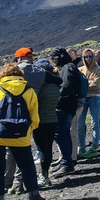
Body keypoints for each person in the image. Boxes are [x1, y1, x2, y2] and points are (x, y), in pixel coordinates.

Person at [0, 63, 46, 200]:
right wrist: (25, 131)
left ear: (2, 75)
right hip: (20, 136)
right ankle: (34, 197)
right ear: (20, 75)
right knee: (27, 165)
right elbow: (35, 118)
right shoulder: (29, 91)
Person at [6, 47, 62, 194]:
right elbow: (58, 80)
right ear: (30, 57)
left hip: (11, 114)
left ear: (18, 58)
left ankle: (8, 183)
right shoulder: (39, 72)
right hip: (32, 114)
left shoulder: (12, 71)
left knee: (12, 148)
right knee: (30, 148)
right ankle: (25, 180)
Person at [49, 47, 80, 179]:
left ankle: (67, 163)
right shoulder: (69, 66)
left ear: (61, 56)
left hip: (65, 107)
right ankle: (66, 162)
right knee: (64, 133)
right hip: (69, 106)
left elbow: (65, 86)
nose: (53, 61)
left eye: (54, 58)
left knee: (59, 134)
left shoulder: (67, 68)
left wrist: (57, 102)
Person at [33, 59, 61, 187]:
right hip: (52, 120)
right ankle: (45, 174)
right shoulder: (55, 86)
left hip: (41, 121)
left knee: (42, 149)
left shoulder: (41, 88)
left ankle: (44, 176)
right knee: (48, 148)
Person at [77, 48, 100, 159]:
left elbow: (96, 85)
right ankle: (81, 146)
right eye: (86, 56)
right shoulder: (80, 69)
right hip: (83, 99)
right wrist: (89, 83)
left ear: (93, 57)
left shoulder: (98, 69)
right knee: (80, 124)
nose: (88, 59)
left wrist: (84, 85)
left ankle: (94, 145)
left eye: (90, 56)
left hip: (94, 98)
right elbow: (88, 84)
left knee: (95, 122)